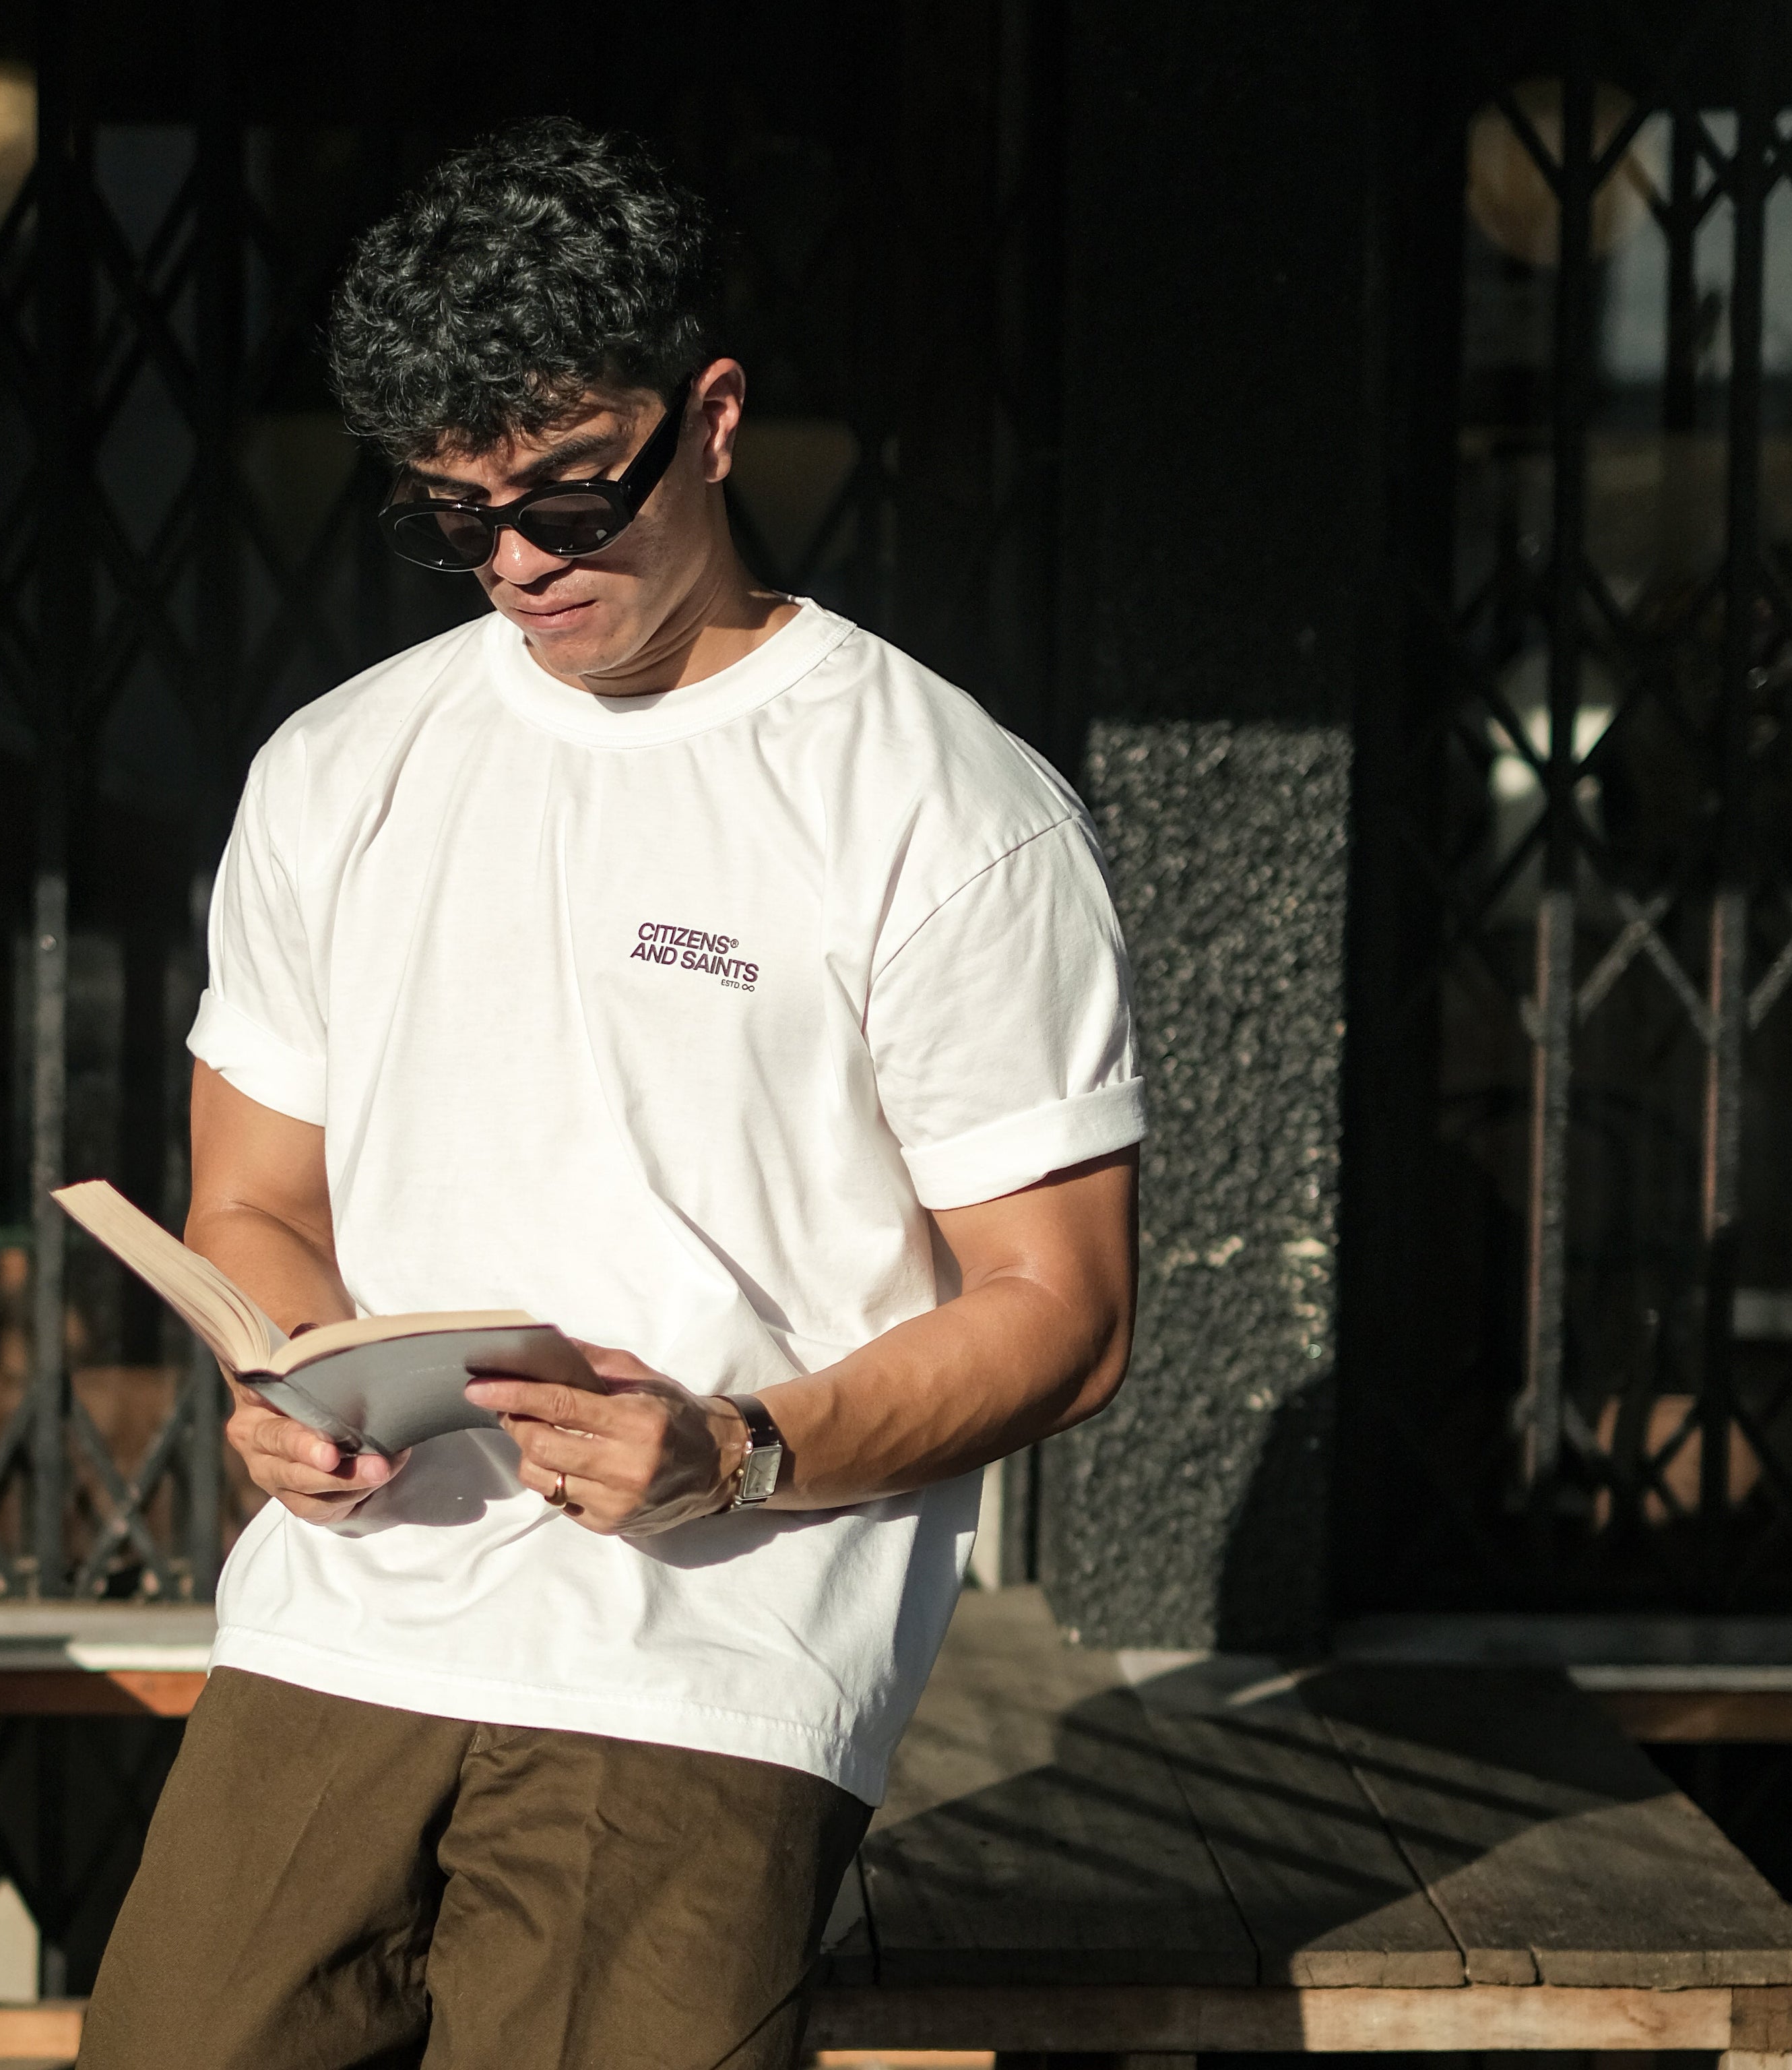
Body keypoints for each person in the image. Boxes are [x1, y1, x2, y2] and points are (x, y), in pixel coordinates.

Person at [78, 117, 1143, 2070]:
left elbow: (1063, 1314)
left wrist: (735, 1450)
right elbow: (256, 1204)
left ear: (712, 419)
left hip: (710, 1656)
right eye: (453, 514)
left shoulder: (941, 806)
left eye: (569, 498)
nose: (515, 564)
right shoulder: (338, 769)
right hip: (346, 1617)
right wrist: (293, 1392)